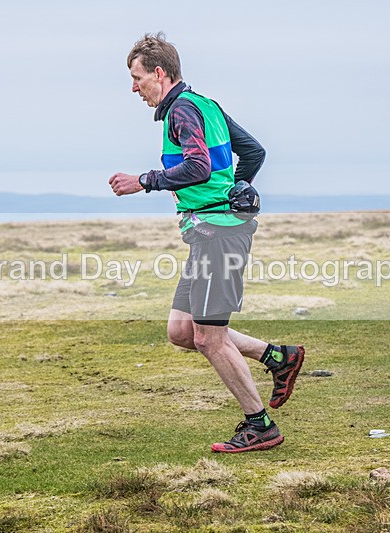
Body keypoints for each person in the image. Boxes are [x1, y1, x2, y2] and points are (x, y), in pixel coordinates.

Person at [109, 32, 304, 453]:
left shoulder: (182, 111)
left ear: (159, 74)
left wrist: (144, 181)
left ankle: (260, 426)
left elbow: (197, 166)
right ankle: (278, 357)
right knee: (182, 330)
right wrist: (239, 187)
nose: (133, 87)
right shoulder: (206, 106)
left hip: (220, 236)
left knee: (208, 337)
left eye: (136, 77)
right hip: (208, 234)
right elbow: (253, 152)